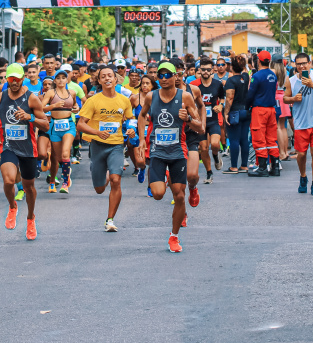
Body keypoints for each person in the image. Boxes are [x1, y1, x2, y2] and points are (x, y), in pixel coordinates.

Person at [138, 62, 202, 253]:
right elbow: (142, 116)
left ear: (176, 76)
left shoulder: (186, 97)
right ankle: (164, 177)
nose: (164, 79)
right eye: (160, 75)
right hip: (158, 151)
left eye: (168, 75)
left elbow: (200, 127)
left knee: (179, 196)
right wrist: (142, 139)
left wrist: (189, 119)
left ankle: (174, 236)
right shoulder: (151, 96)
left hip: (177, 152)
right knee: (157, 194)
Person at [0, 64, 49, 240]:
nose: (14, 82)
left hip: (27, 148)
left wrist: (29, 117)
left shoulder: (31, 98)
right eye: (11, 79)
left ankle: (31, 217)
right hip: (8, 145)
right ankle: (12, 206)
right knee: (8, 180)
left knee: (29, 186)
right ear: (6, 79)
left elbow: (45, 124)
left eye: (17, 79)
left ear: (23, 78)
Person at [77, 65, 135, 231]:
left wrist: (130, 129)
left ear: (116, 79)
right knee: (100, 189)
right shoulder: (93, 100)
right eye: (104, 77)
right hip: (97, 146)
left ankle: (110, 220)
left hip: (116, 145)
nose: (108, 79)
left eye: (111, 76)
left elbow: (130, 120)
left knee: (116, 180)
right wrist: (97, 132)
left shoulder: (124, 101)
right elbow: (80, 125)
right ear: (99, 80)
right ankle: (104, 171)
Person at [283, 53, 313, 196]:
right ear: (295, 65)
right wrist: (293, 98)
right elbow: (285, 98)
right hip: (301, 123)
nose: (302, 66)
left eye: (304, 63)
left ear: (309, 63)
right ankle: (303, 177)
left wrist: (311, 84)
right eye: (298, 64)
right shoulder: (291, 80)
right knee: (301, 154)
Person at [42, 69, 80, 193]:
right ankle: (62, 176)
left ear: (67, 79)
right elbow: (41, 108)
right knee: (58, 158)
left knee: (65, 153)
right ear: (55, 80)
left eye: (63, 78)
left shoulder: (72, 92)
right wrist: (53, 106)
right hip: (55, 126)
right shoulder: (50, 93)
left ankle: (65, 182)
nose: (61, 80)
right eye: (58, 78)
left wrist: (75, 109)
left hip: (69, 125)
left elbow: (75, 106)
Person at [173, 58, 205, 207]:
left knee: (192, 176)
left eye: (179, 73)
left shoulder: (194, 90)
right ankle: (182, 213)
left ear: (184, 72)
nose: (177, 77)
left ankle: (193, 187)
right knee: (177, 181)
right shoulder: (161, 93)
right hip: (172, 137)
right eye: (173, 74)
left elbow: (202, 106)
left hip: (190, 134)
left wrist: (201, 123)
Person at [246, 51, 280, 177]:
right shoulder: (273, 75)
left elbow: (251, 94)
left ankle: (262, 168)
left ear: (258, 61)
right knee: (271, 139)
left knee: (259, 139)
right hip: (271, 110)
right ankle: (275, 167)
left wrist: (246, 106)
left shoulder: (257, 76)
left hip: (259, 110)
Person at [196, 58, 225, 183]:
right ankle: (209, 173)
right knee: (203, 148)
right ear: (200, 70)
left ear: (212, 70)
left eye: (208, 69)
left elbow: (222, 98)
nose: (206, 72)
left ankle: (215, 156)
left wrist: (220, 106)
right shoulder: (194, 85)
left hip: (213, 120)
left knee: (214, 144)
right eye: (203, 69)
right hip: (200, 122)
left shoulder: (217, 84)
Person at [222, 55, 250, 174]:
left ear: (231, 67)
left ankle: (233, 166)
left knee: (234, 139)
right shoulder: (245, 77)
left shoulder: (231, 81)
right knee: (244, 139)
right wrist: (242, 61)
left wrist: (226, 113)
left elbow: (229, 98)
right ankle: (244, 165)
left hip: (234, 112)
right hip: (245, 111)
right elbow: (246, 70)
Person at [272, 56, 291, 162]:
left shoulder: (273, 72)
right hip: (283, 97)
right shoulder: (285, 72)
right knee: (283, 127)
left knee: (278, 126)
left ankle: (281, 153)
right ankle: (285, 151)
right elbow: (287, 86)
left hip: (276, 98)